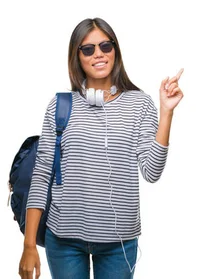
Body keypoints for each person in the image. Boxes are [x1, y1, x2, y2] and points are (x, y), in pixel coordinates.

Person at [18, 17, 183, 279]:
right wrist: (29, 246)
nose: (99, 54)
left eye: (106, 46)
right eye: (88, 49)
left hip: (119, 242)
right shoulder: (60, 106)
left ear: (115, 51)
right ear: (77, 57)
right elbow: (40, 177)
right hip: (64, 238)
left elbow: (152, 172)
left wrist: (166, 113)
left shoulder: (140, 104)